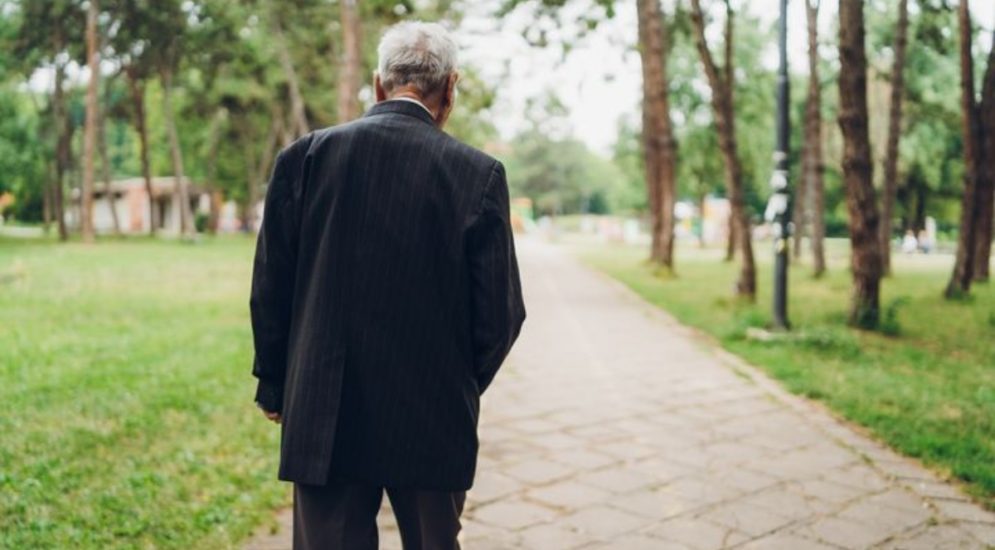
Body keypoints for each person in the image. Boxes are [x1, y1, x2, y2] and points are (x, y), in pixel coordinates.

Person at [249, 21, 526, 550]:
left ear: (379, 85)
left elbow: (271, 288)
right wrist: (455, 382)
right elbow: (501, 315)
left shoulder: (304, 158)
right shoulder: (479, 175)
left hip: (324, 408)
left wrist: (277, 383)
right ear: (450, 89)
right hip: (431, 413)